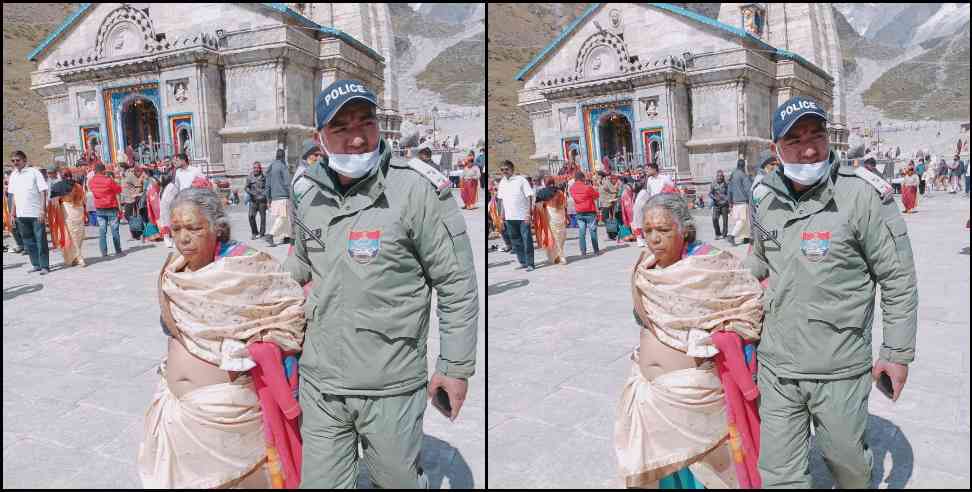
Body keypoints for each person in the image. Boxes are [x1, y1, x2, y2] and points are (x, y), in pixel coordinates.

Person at [285, 79, 478, 488]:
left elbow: (456, 283)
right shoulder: (306, 194)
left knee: (395, 482)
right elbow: (298, 266)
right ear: (319, 137)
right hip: (321, 382)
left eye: (366, 123)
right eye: (341, 128)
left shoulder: (416, 190)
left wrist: (455, 366)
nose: (357, 138)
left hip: (390, 383)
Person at [746, 95, 918, 488]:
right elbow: (758, 261)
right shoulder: (764, 198)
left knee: (848, 465)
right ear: (776, 149)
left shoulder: (862, 196)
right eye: (794, 140)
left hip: (839, 366)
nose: (808, 149)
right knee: (778, 472)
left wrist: (895, 353)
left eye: (816, 135)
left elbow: (897, 278)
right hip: (778, 365)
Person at [138, 188, 306, 488]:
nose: (183, 238)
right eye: (176, 229)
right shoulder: (172, 273)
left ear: (217, 227)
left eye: (194, 228)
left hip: (229, 416)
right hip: (177, 412)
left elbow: (290, 314)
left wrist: (256, 346)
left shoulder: (248, 268)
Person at [616, 192, 763, 488]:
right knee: (667, 475)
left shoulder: (711, 265)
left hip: (696, 399)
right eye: (648, 231)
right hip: (651, 395)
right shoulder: (644, 268)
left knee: (707, 475)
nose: (654, 239)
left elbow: (748, 311)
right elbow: (644, 318)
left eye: (664, 230)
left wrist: (715, 337)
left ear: (684, 229)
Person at [8, 150, 52, 274]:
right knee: (28, 241)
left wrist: (42, 210)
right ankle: (36, 264)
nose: (15, 163)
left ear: (24, 160)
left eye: (17, 160)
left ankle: (44, 266)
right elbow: (14, 196)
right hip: (21, 215)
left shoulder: (34, 173)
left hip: (35, 213)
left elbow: (43, 191)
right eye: (13, 161)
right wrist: (12, 214)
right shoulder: (13, 175)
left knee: (40, 240)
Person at [497, 160, 537, 270]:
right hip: (510, 217)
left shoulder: (521, 180)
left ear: (512, 169)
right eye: (502, 170)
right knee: (515, 241)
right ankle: (523, 261)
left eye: (506, 169)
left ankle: (530, 263)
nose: (504, 171)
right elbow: (502, 201)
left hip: (523, 216)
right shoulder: (502, 182)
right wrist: (501, 217)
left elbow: (529, 196)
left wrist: (529, 214)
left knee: (527, 240)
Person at [87, 163, 125, 258]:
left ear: (95, 171)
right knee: (114, 230)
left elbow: (92, 190)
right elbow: (119, 190)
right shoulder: (109, 181)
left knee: (102, 230)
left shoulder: (91, 181)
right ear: (104, 171)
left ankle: (104, 252)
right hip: (111, 207)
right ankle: (118, 250)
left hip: (99, 208)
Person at [632, 163, 674, 247]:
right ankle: (645, 239)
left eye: (648, 169)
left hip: (663, 203)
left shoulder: (664, 178)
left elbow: (672, 187)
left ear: (654, 169)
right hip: (653, 204)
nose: (646, 171)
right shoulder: (649, 180)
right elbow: (649, 191)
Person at [51, 168, 87, 267]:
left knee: (69, 236)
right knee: (78, 235)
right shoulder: (78, 186)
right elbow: (84, 200)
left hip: (66, 212)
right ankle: (76, 257)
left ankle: (76, 257)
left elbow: (53, 201)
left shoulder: (56, 186)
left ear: (61, 176)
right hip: (78, 212)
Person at [535, 176, 568, 265]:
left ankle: (557, 256)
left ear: (545, 183)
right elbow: (564, 204)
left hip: (550, 216)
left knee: (552, 236)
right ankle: (558, 255)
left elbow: (538, 206)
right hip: (560, 215)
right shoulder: (560, 192)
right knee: (561, 236)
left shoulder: (541, 193)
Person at [569, 170, 601, 256]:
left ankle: (583, 251)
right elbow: (596, 196)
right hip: (590, 211)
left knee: (581, 232)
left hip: (579, 212)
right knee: (592, 231)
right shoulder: (588, 187)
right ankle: (596, 251)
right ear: (583, 178)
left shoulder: (571, 188)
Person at [265, 148, 292, 247]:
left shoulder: (270, 167)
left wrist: (268, 198)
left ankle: (287, 236)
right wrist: (292, 195)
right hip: (283, 196)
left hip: (274, 197)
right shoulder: (282, 166)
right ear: (283, 156)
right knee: (282, 217)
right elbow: (287, 182)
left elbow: (267, 185)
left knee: (285, 217)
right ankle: (271, 235)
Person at [727, 158, 753, 246]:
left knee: (743, 221)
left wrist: (729, 201)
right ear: (743, 166)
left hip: (735, 202)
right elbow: (748, 189)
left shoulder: (732, 175)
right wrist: (751, 200)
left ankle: (746, 238)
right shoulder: (743, 175)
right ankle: (732, 236)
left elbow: (729, 189)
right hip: (742, 202)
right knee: (742, 220)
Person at [122, 164, 147, 240]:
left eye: (119, 167)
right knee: (130, 217)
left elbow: (138, 186)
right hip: (127, 199)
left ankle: (137, 234)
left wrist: (135, 194)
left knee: (131, 217)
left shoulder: (131, 175)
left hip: (131, 200)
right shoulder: (125, 176)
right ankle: (135, 234)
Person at [245, 162, 269, 240]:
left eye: (258, 168)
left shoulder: (264, 176)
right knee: (251, 216)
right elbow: (246, 187)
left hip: (262, 201)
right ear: (253, 168)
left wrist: (265, 195)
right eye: (255, 168)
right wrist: (251, 193)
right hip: (253, 200)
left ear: (260, 168)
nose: (256, 169)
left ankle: (262, 233)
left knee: (263, 218)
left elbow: (267, 187)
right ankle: (254, 232)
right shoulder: (249, 177)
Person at [158, 170, 177, 248]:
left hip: (166, 208)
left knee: (166, 223)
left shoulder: (166, 187)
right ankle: (169, 240)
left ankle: (168, 240)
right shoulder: (171, 186)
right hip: (167, 208)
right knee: (168, 224)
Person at [599, 172, 621, 240]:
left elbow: (614, 191)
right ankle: (611, 234)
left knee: (608, 219)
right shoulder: (602, 182)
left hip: (608, 203)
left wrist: (612, 198)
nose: (596, 177)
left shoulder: (607, 182)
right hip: (605, 203)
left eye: (598, 175)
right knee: (606, 219)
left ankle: (613, 234)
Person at [709, 170, 730, 239]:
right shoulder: (713, 183)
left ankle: (724, 234)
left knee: (725, 221)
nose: (720, 177)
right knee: (714, 219)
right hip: (716, 205)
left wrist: (727, 199)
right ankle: (717, 233)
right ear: (716, 176)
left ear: (723, 176)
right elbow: (710, 193)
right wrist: (714, 197)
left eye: (721, 176)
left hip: (724, 204)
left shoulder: (726, 183)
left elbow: (729, 192)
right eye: (718, 176)